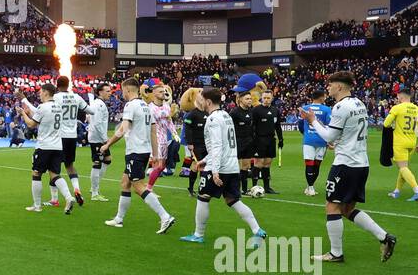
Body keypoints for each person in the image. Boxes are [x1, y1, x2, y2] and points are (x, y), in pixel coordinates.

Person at [298, 70, 397, 263]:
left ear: (340, 86)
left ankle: (336, 253)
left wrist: (313, 121)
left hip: (345, 164)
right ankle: (385, 237)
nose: (328, 87)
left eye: (330, 84)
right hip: (361, 163)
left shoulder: (340, 107)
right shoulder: (359, 103)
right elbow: (348, 133)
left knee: (332, 207)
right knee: (347, 208)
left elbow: (328, 136)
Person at [180, 88, 267, 246]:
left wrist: (214, 170)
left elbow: (217, 146)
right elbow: (224, 145)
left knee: (203, 198)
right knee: (233, 200)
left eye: (200, 98)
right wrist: (204, 160)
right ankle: (257, 230)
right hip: (232, 166)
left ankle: (198, 234)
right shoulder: (226, 115)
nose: (198, 101)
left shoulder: (212, 119)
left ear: (207, 101)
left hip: (219, 167)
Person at [98, 78, 175, 233]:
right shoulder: (146, 107)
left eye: (122, 90)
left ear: (127, 90)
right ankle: (119, 219)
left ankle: (165, 216)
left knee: (138, 186)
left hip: (136, 151)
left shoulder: (131, 106)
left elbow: (122, 129)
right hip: (144, 151)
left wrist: (107, 144)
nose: (122, 93)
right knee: (125, 182)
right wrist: (155, 154)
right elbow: (153, 132)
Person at [18, 84, 76, 214]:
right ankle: (68, 197)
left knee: (36, 173)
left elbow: (31, 124)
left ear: (45, 92)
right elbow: (43, 117)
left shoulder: (43, 107)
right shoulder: (59, 107)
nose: (39, 94)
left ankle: (37, 206)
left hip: (44, 146)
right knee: (55, 174)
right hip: (57, 145)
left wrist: (23, 113)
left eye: (40, 91)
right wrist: (30, 113)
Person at [384, 86, 418, 201]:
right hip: (412, 142)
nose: (397, 98)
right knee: (404, 168)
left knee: (402, 167)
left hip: (400, 142)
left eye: (397, 96)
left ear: (401, 96)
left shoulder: (397, 108)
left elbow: (386, 123)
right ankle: (397, 191)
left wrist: (394, 123)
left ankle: (417, 191)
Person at [52, 75, 88, 204]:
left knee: (54, 167)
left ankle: (55, 198)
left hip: (59, 136)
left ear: (57, 85)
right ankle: (77, 189)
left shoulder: (55, 97)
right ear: (68, 85)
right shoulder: (76, 97)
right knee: (70, 165)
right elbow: (89, 110)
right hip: (72, 136)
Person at [298, 87, 333, 197]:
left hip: (309, 140)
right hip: (322, 140)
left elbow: (300, 125)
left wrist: (306, 134)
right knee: (317, 165)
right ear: (322, 97)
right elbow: (329, 126)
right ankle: (311, 187)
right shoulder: (327, 109)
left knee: (309, 164)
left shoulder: (305, 108)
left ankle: (310, 187)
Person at [85, 83, 114, 201]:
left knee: (107, 160)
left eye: (110, 91)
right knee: (97, 163)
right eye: (107, 91)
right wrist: (105, 139)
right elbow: (97, 123)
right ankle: (94, 192)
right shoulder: (99, 105)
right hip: (97, 138)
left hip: (97, 137)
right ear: (100, 92)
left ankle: (94, 187)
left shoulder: (99, 104)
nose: (110, 93)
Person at [251, 89, 283, 194]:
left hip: (271, 139)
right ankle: (254, 187)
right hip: (259, 139)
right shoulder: (256, 110)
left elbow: (277, 126)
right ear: (261, 98)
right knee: (259, 163)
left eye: (268, 98)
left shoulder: (275, 110)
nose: (266, 100)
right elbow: (252, 126)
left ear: (272, 98)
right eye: (264, 98)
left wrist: (281, 139)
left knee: (267, 163)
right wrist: (253, 140)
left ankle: (267, 187)